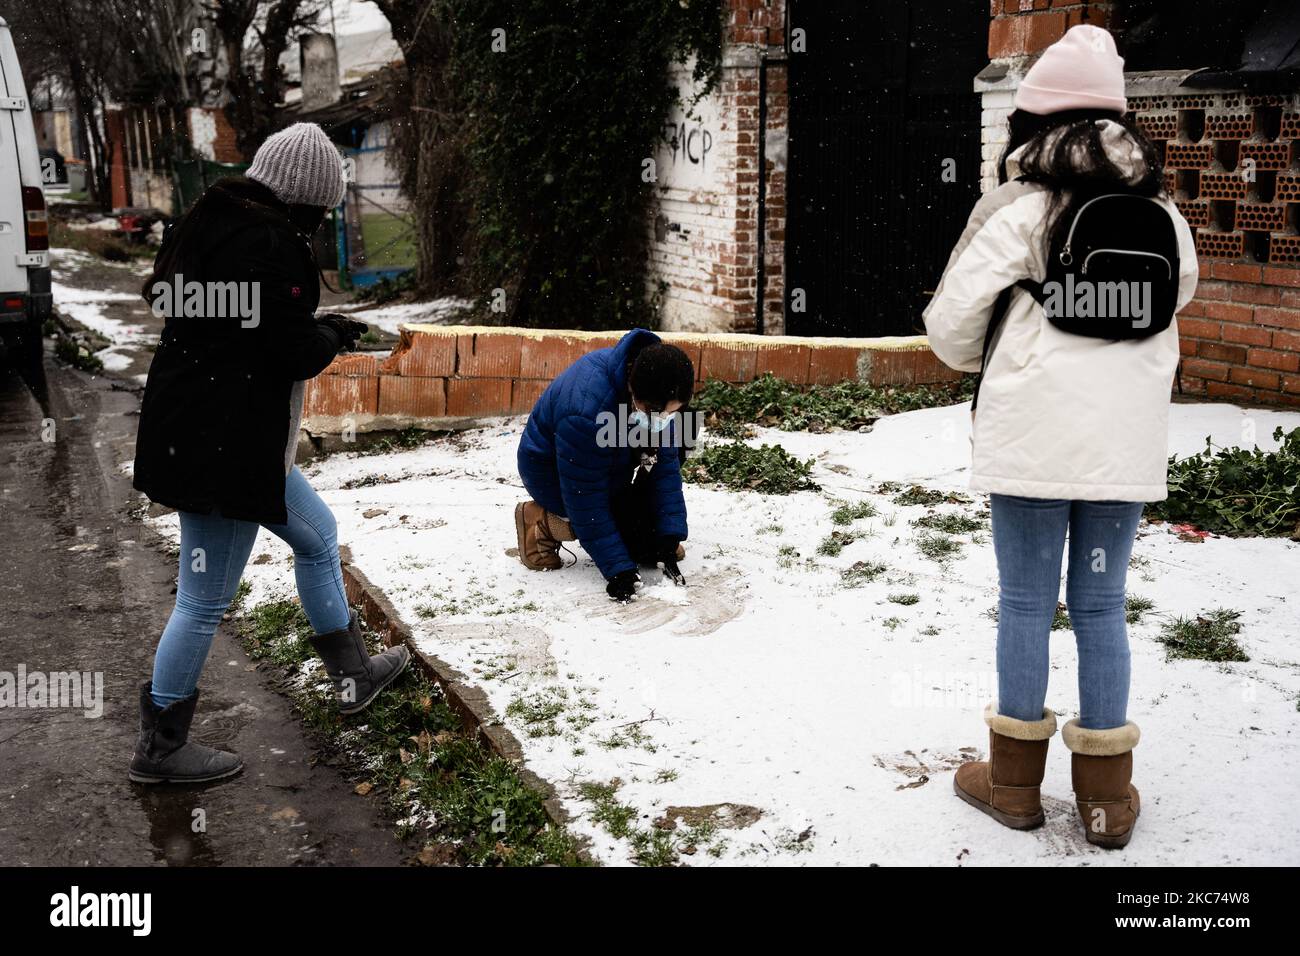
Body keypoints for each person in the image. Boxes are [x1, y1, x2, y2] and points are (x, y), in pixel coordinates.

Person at [923, 25, 1198, 847]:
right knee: (1104, 604)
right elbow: (1175, 298)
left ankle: (1011, 787)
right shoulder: (1163, 211)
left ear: (1031, 120)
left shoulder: (1016, 207)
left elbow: (949, 328)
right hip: (1123, 448)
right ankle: (1108, 801)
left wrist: (1013, 350)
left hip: (1031, 442)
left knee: (1026, 604)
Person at [129, 123, 409, 785]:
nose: (321, 222)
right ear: (306, 198)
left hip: (210, 433)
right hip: (225, 450)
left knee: (317, 538)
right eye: (322, 209)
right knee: (203, 599)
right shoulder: (268, 243)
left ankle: (352, 677)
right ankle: (161, 746)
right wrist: (336, 330)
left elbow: (172, 300)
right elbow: (291, 351)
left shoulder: (210, 219)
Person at [515, 329, 694, 601]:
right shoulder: (586, 410)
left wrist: (668, 534)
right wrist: (617, 570)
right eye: (661, 413)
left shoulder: (652, 382)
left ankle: (638, 527)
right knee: (625, 544)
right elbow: (585, 498)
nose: (667, 419)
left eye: (673, 412)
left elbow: (664, 463)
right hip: (555, 472)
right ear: (635, 392)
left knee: (650, 542)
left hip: (610, 457)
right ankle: (541, 521)